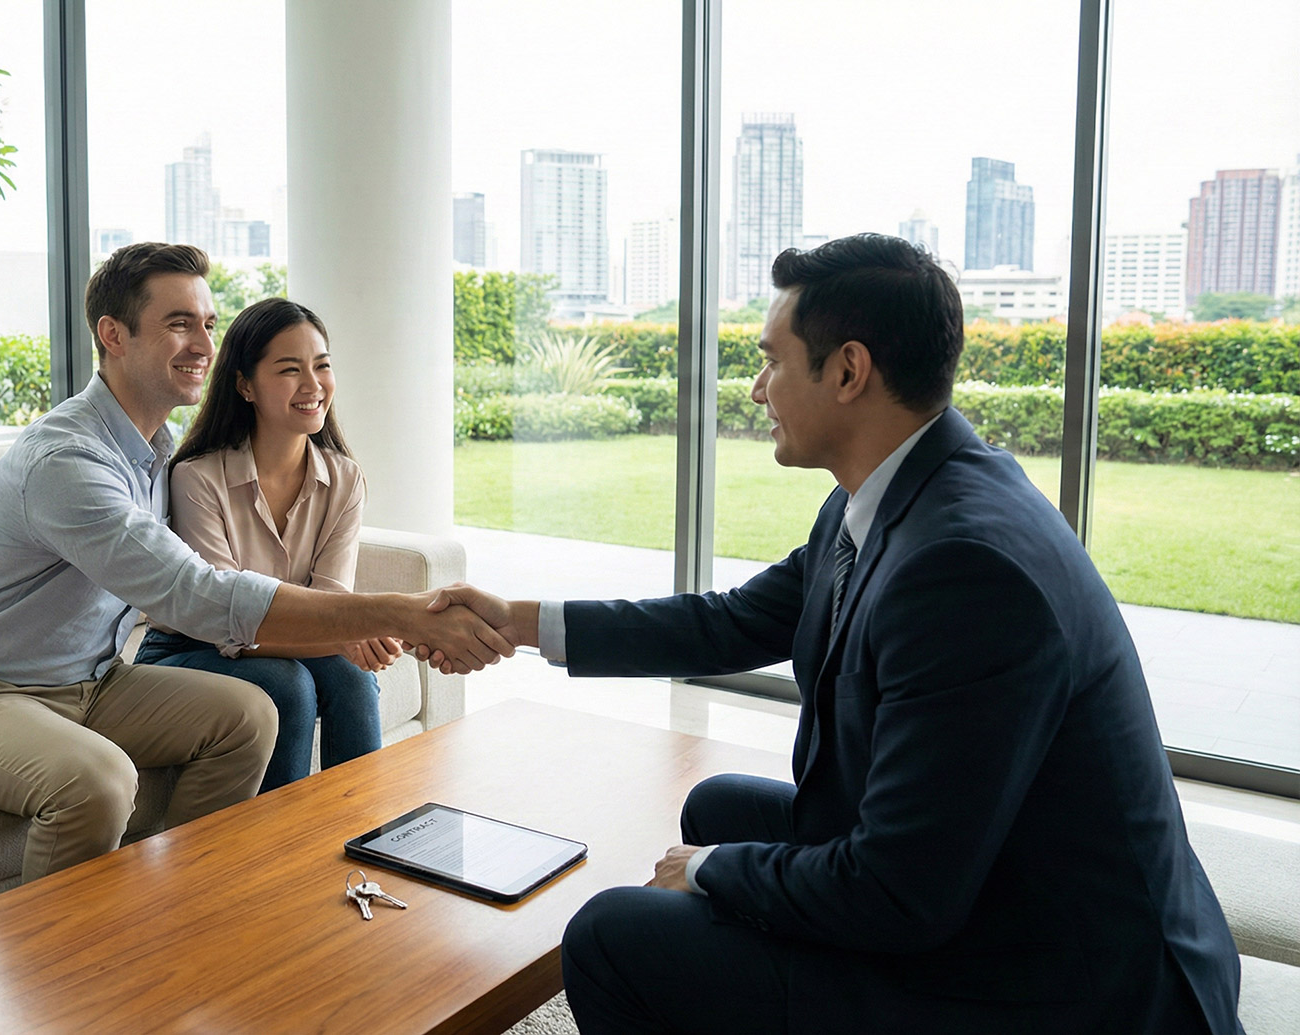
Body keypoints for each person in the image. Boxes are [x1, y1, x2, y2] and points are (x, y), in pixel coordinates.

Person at [429, 234, 1242, 1033]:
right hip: (990, 884)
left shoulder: (963, 570)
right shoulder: (901, 493)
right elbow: (736, 619)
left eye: (773, 359)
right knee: (719, 805)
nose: (756, 388)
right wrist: (522, 621)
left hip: (1058, 979)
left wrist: (711, 871)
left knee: (612, 935)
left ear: (849, 370)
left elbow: (901, 895)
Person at [0, 242, 509, 883]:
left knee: (250, 717)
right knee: (101, 783)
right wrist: (404, 613)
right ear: (113, 335)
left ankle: (201, 902)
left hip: (94, 684)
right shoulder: (69, 460)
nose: (202, 344)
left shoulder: (155, 454)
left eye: (208, 324)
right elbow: (194, 593)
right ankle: (59, 978)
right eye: (177, 324)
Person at [133, 297, 391, 791]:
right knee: (287, 684)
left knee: (353, 678)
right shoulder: (196, 478)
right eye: (290, 370)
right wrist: (344, 635)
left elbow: (331, 603)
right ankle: (277, 857)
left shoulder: (343, 479)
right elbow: (222, 622)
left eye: (322, 366)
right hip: (188, 646)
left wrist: (352, 633)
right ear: (245, 384)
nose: (313, 386)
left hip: (291, 638)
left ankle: (366, 838)